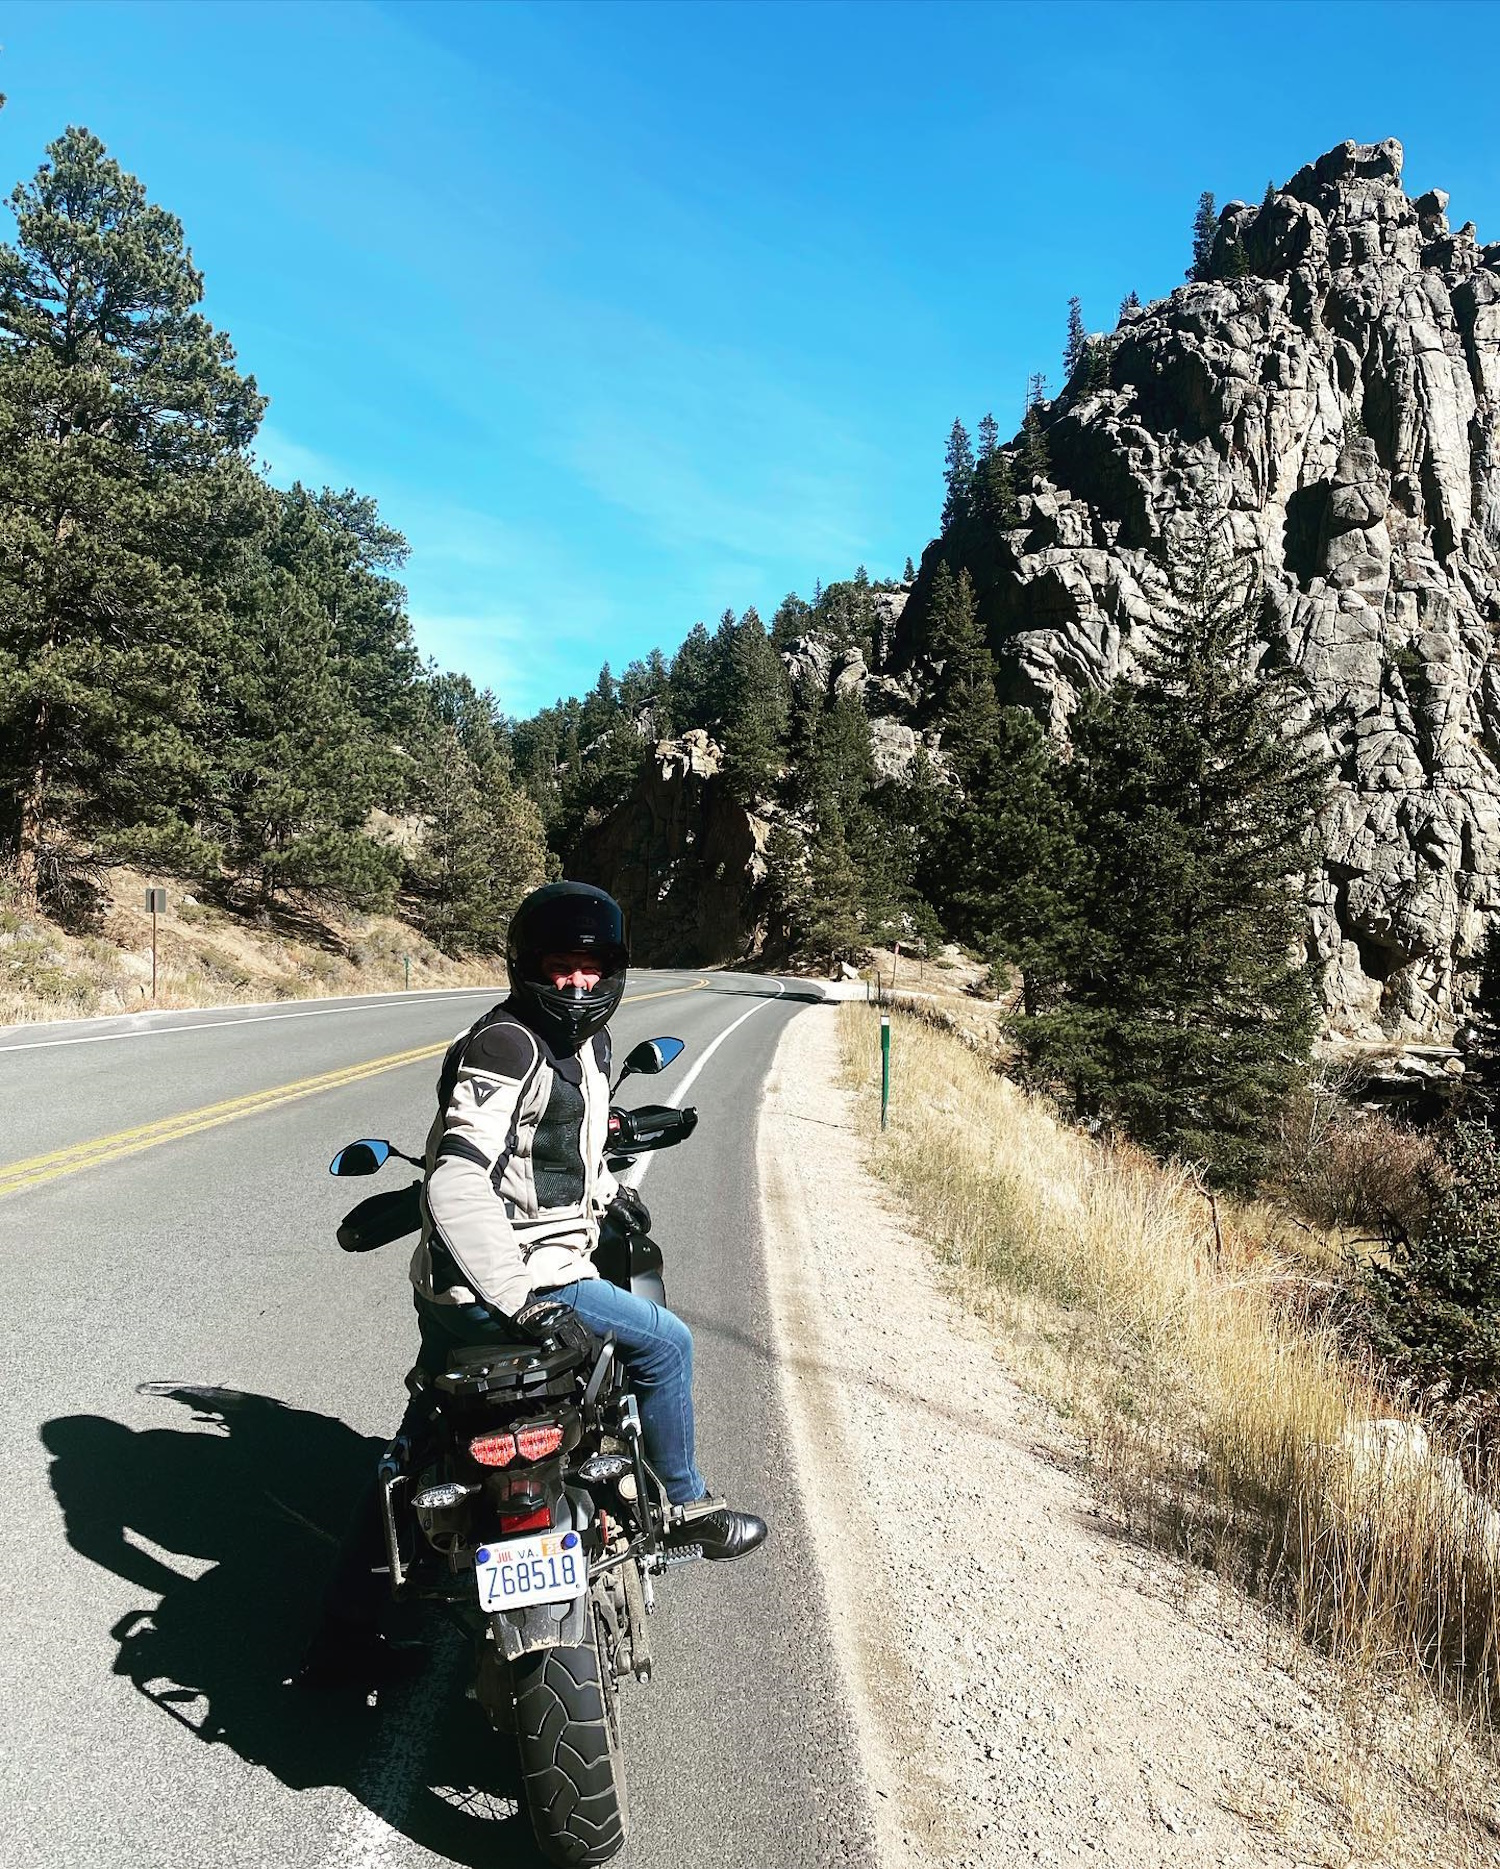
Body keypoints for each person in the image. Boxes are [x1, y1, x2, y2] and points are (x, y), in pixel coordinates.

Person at [301, 881, 765, 1688]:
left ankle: (342, 1637)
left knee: (415, 1446)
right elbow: (456, 1179)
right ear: (528, 969)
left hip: (463, 1285)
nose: (577, 985)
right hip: (517, 1280)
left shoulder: (591, 1046)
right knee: (668, 1342)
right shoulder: (506, 1044)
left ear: (612, 971)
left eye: (592, 969)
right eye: (561, 968)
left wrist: (606, 1191)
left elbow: (547, 1155)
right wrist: (526, 1300)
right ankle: (686, 1506)